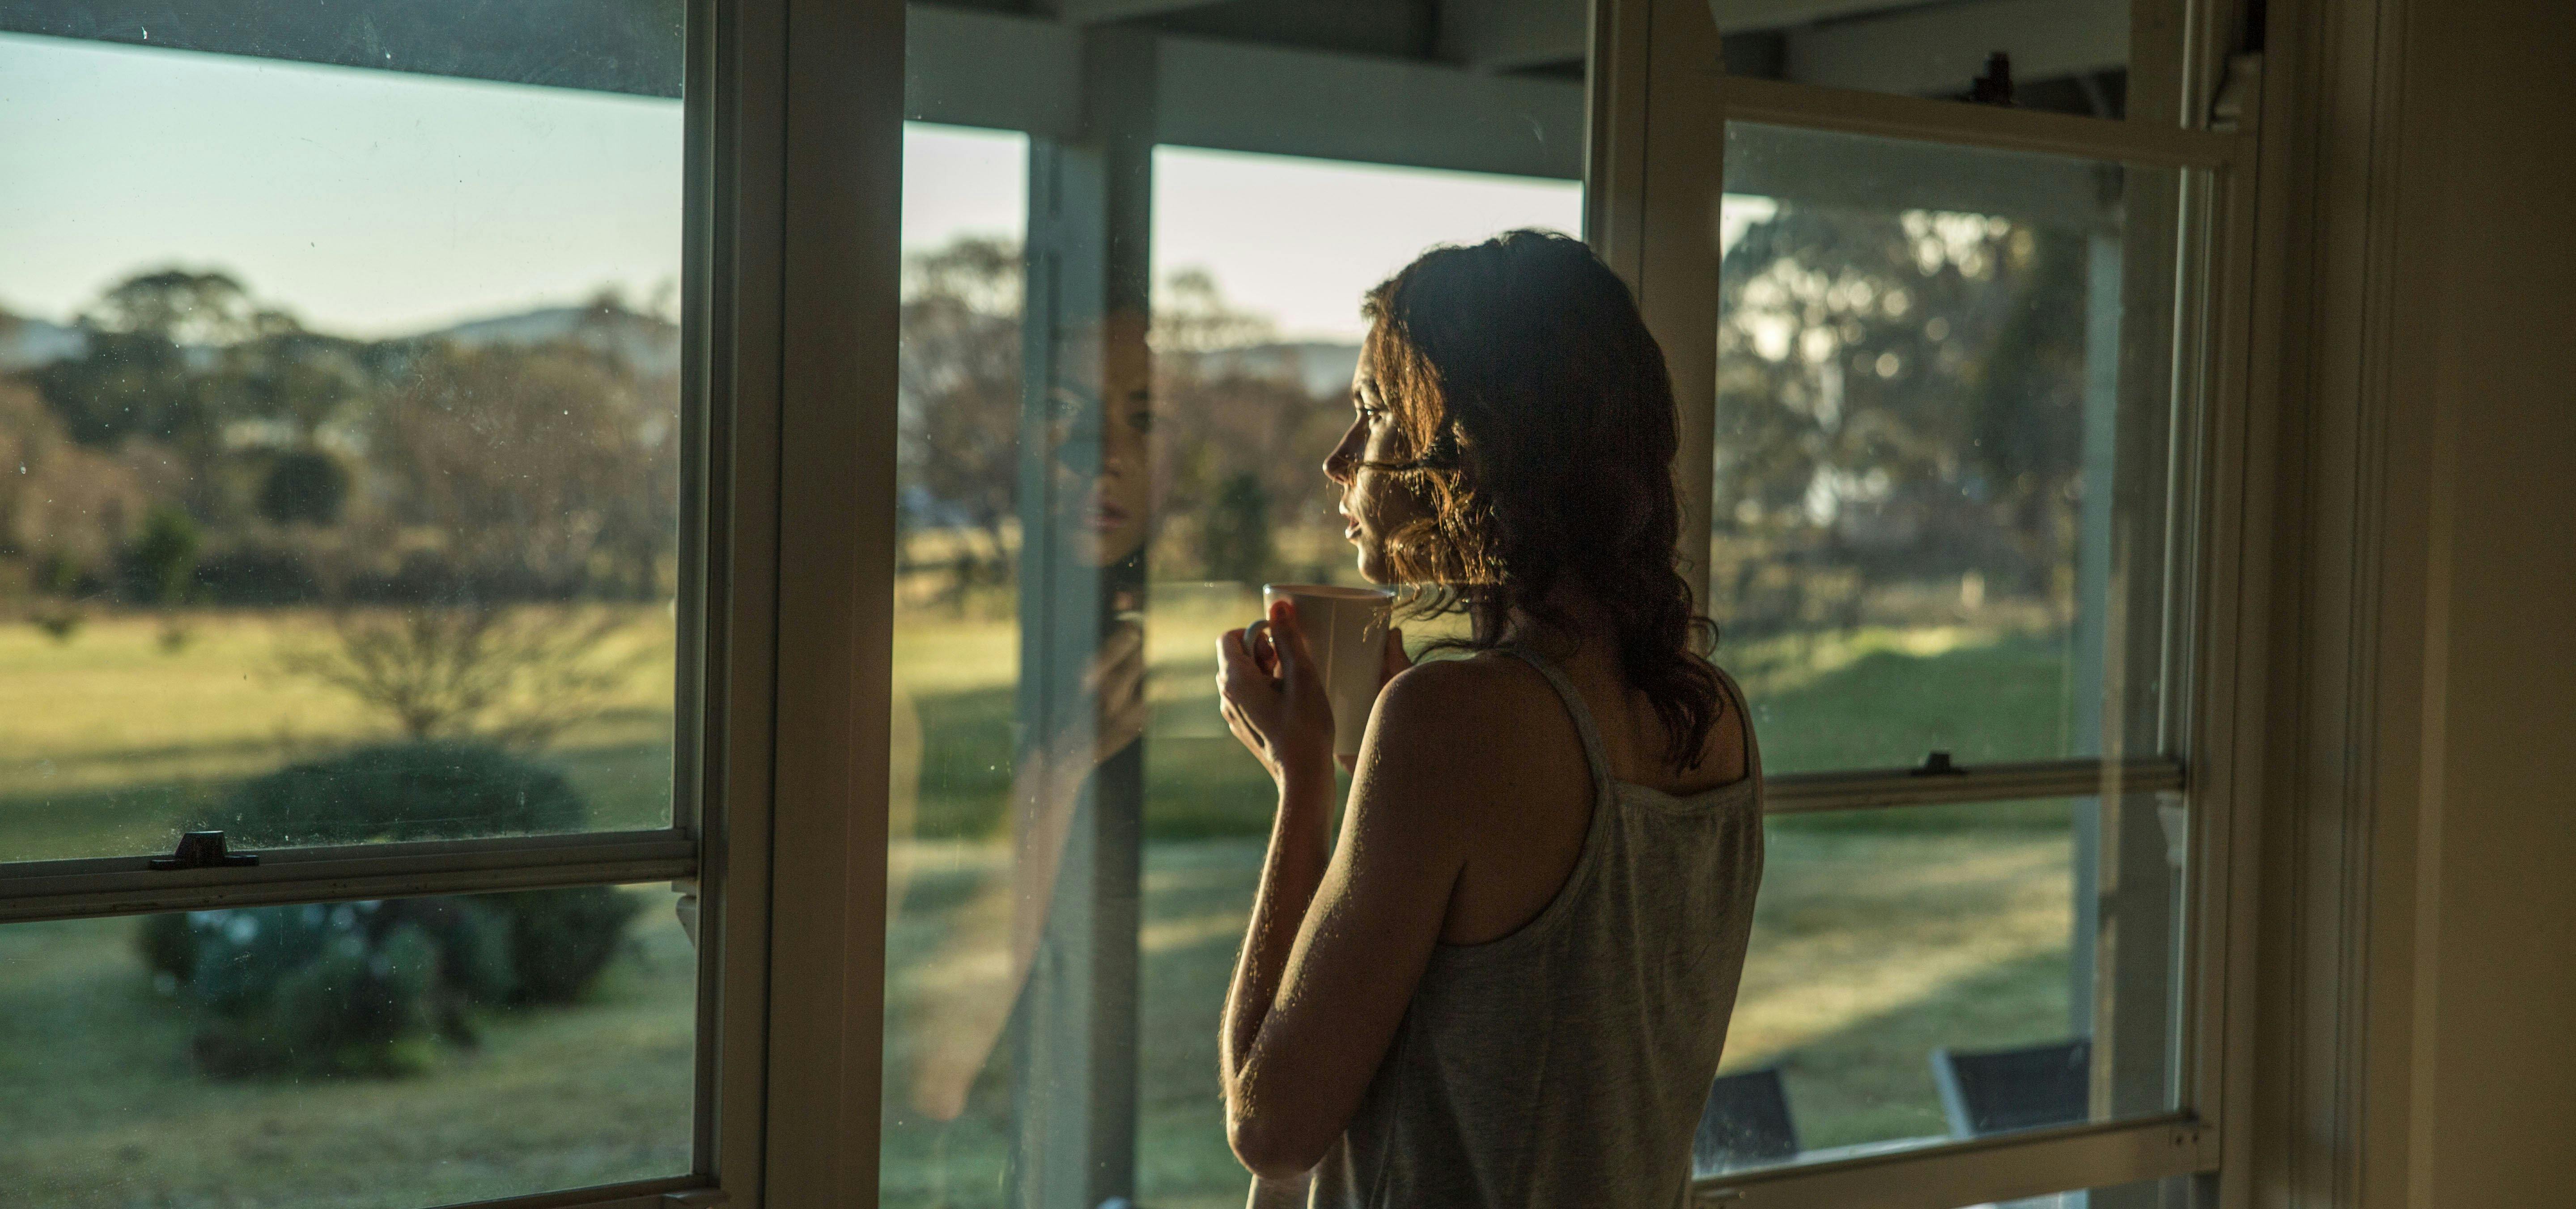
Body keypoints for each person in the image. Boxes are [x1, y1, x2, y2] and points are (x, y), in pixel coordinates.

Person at [1215, 230, 1766, 1208]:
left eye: (1375, 415)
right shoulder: (1714, 717)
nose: (1343, 461)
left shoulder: (1451, 721)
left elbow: (1271, 1124)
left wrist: (1303, 784)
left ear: (1473, 448)